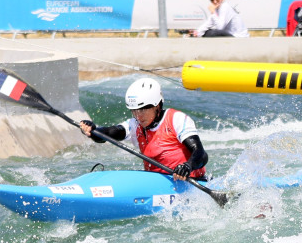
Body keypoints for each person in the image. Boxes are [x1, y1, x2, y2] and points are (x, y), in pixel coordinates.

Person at [79, 78, 209, 181]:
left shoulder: (177, 119)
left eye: (142, 110)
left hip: (190, 182)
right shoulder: (135, 125)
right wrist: (94, 131)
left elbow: (201, 155)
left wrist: (187, 166)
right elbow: (109, 133)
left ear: (157, 106)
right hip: (155, 183)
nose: (138, 116)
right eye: (134, 111)